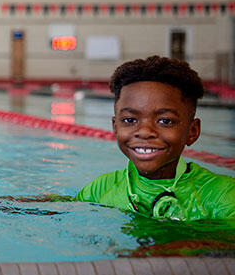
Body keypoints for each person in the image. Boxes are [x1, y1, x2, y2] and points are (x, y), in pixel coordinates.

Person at [77, 56, 235, 220]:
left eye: (165, 121)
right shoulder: (98, 191)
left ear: (192, 131)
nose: (145, 132)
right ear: (115, 127)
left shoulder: (222, 196)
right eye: (130, 120)